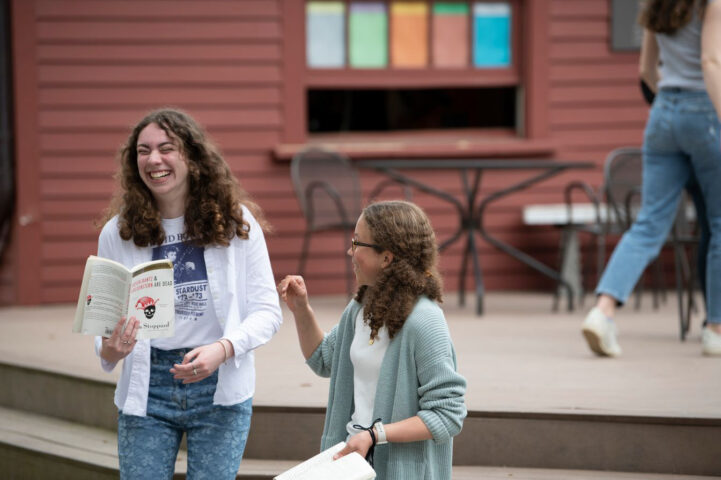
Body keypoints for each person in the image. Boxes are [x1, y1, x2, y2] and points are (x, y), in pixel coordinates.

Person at [94, 108, 282, 478]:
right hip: (148, 387)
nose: (154, 159)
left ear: (192, 157)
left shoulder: (236, 224)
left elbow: (267, 312)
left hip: (219, 384)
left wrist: (224, 349)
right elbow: (104, 322)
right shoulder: (118, 233)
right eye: (143, 151)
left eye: (167, 148)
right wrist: (108, 349)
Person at [278, 200, 466, 480]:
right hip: (352, 464)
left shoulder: (425, 321)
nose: (349, 251)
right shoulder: (360, 308)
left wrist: (375, 435)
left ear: (386, 258)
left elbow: (448, 413)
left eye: (356, 243)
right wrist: (301, 310)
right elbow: (324, 360)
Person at [582, 0, 721, 357]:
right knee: (720, 225)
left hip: (663, 113)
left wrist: (671, 109)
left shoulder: (657, 3)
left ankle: (603, 312)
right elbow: (711, 61)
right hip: (705, 110)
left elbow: (646, 69)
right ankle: (715, 328)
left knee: (648, 224)